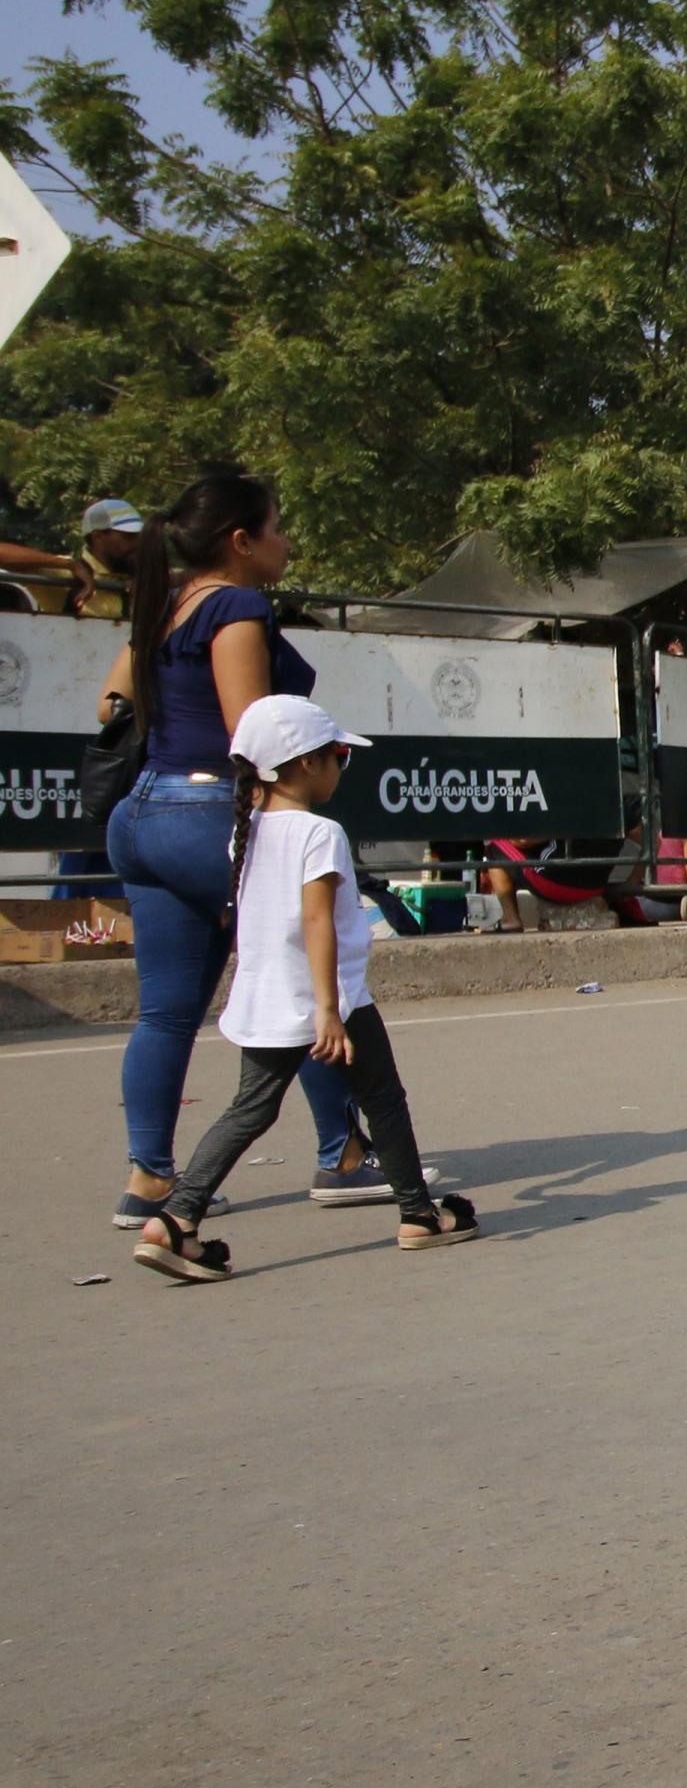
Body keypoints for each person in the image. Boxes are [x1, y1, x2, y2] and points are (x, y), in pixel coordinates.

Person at [94, 467, 429, 1232]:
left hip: (142, 812)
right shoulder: (237, 605)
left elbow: (109, 704)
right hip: (209, 811)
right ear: (241, 542)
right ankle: (342, 1156)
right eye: (278, 527)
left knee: (166, 1013)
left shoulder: (164, 603)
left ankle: (148, 1176)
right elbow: (256, 734)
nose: (286, 542)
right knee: (303, 980)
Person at [128, 697, 479, 1281]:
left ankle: (176, 1218)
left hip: (266, 996)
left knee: (249, 1111)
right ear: (306, 764)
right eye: (340, 755)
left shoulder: (247, 831)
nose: (343, 766)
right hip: (327, 999)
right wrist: (328, 1010)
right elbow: (316, 920)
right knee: (384, 1100)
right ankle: (419, 1214)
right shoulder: (320, 833)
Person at [0, 495, 141, 619]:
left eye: (139, 536)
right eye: (129, 536)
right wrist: (70, 565)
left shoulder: (141, 579)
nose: (137, 543)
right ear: (98, 536)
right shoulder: (65, 574)